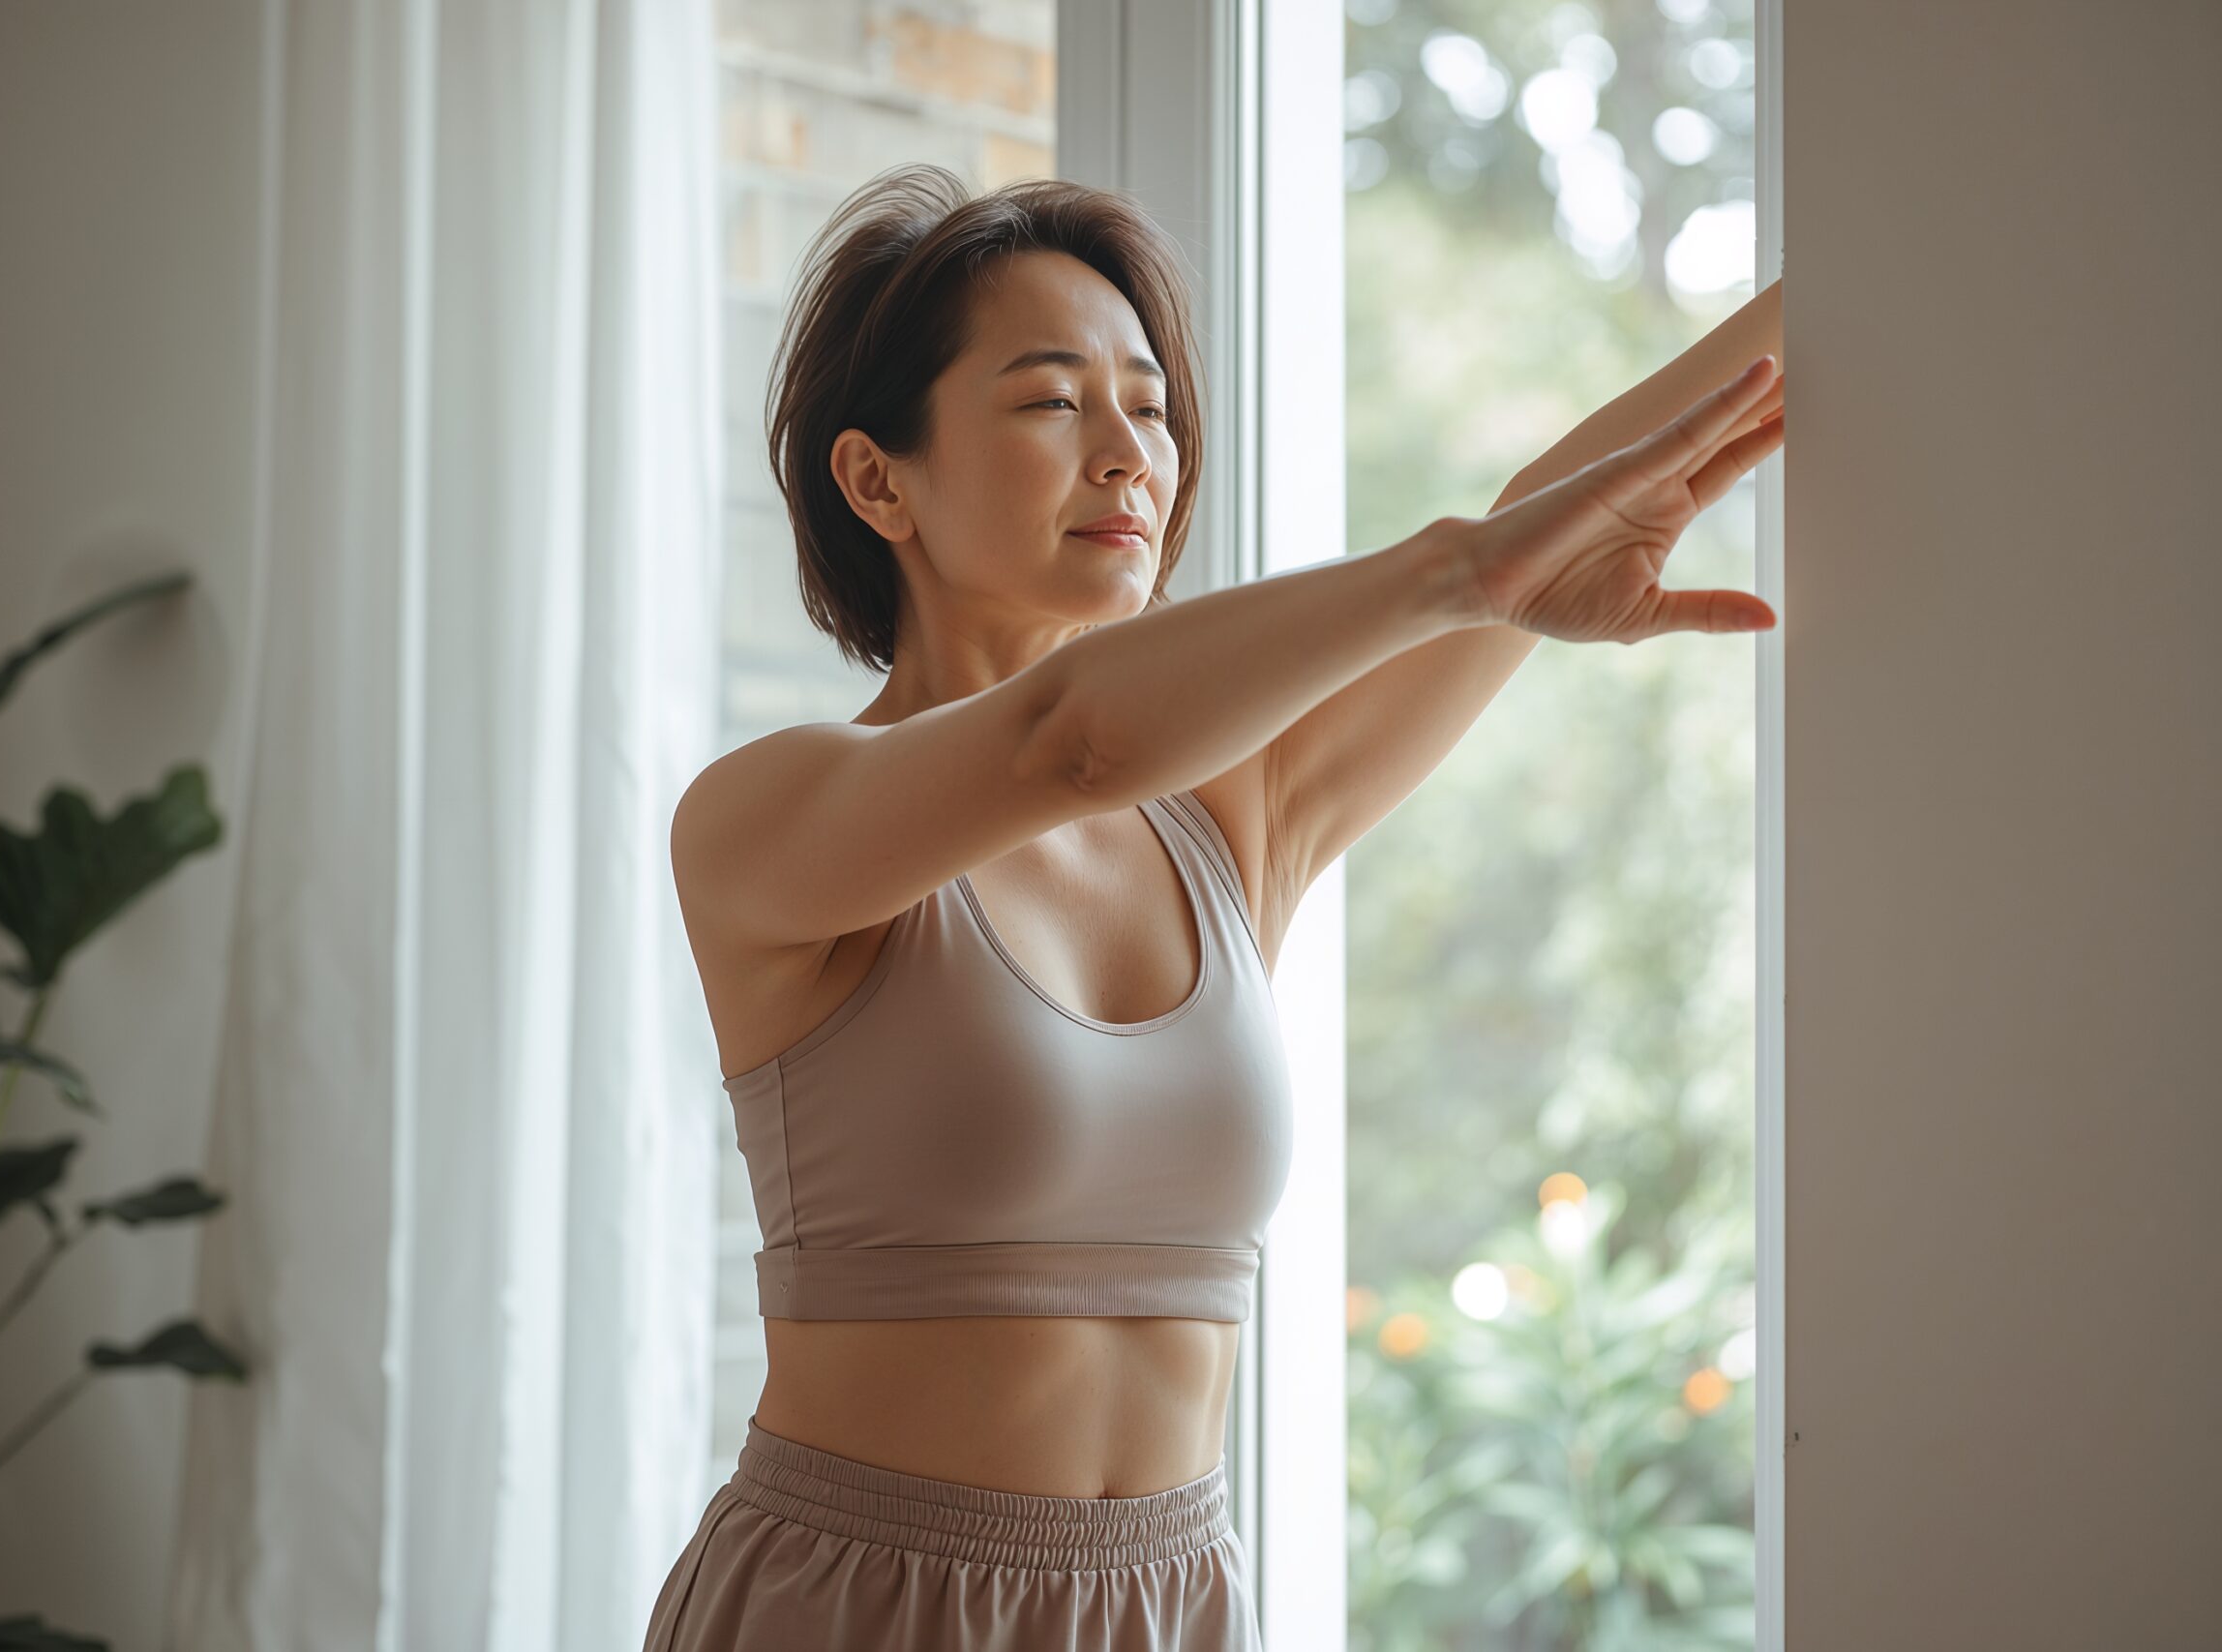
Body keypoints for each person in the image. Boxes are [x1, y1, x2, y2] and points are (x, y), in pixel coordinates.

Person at [645, 163, 1785, 1651]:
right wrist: (1461, 572)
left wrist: (1845, 280)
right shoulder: (769, 817)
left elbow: (1548, 514)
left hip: (1176, 1605)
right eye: (1054, 404)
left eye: (1152, 406)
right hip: (863, 1600)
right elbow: (1065, 738)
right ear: (879, 482)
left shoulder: (1233, 821)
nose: (1129, 454)